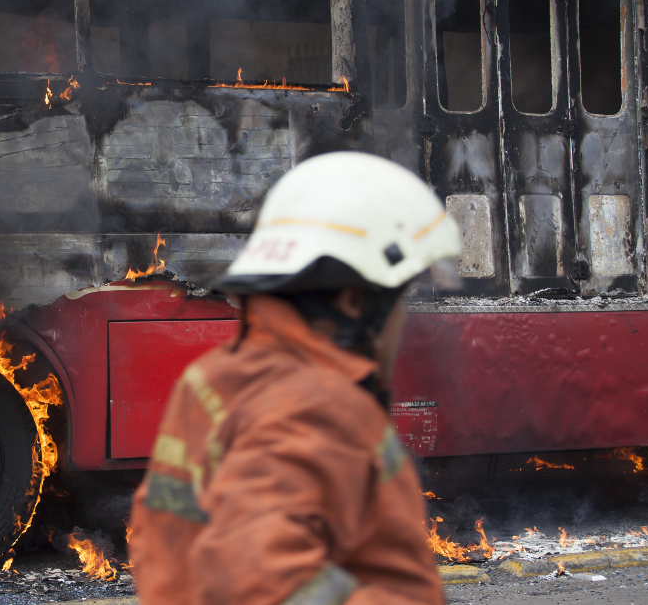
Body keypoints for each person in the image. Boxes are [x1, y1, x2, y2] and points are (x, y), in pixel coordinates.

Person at [128, 151, 461, 605]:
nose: (401, 320)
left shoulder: (213, 380)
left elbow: (164, 547)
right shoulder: (312, 401)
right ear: (352, 300)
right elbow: (260, 575)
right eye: (399, 299)